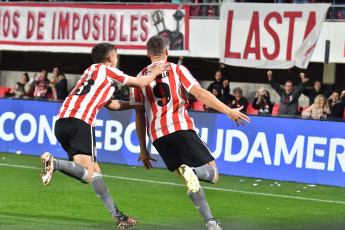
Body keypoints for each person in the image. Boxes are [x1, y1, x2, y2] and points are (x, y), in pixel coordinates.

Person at [40, 42, 168, 229]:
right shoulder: (108, 70)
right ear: (110, 58)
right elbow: (140, 82)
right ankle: (55, 163)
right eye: (116, 55)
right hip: (81, 122)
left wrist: (136, 105)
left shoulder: (90, 72)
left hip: (61, 122)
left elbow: (112, 104)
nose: (116, 58)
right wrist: (157, 71)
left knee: (94, 173)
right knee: (87, 174)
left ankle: (118, 217)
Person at [130, 35, 249, 230]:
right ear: (167, 52)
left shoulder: (139, 78)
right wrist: (228, 110)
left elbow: (139, 115)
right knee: (212, 172)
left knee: (190, 180)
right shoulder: (178, 69)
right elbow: (200, 93)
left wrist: (143, 149)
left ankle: (210, 222)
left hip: (159, 138)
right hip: (180, 128)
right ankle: (206, 211)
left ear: (147, 54)